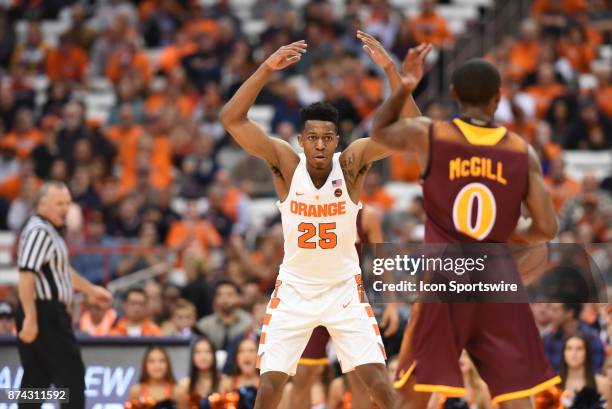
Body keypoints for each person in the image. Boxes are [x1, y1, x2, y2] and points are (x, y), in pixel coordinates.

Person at [220, 32, 429, 409]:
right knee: (269, 389)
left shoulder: (352, 164)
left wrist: (393, 74)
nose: (319, 145)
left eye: (327, 138)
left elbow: (416, 132)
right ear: (300, 140)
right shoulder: (284, 162)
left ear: (337, 140)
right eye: (312, 137)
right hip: (294, 289)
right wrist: (267, 67)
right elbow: (230, 118)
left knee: (378, 385)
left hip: (343, 289)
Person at [371, 57, 560, 408]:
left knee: (413, 395)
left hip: (446, 276)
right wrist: (511, 233)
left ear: (454, 93)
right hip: (498, 276)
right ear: (498, 99)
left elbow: (381, 132)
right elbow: (547, 227)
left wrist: (405, 88)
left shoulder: (432, 134)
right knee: (517, 398)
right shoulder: (522, 151)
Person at [288, 32, 401, 409]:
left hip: (347, 293)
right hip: (306, 291)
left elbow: (381, 261)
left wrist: (394, 302)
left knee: (361, 376)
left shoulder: (365, 214)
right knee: (303, 374)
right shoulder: (299, 192)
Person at [16, 181, 112, 409]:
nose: (65, 208)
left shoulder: (49, 231)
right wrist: (31, 316)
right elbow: (26, 275)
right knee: (72, 377)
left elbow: (61, 270)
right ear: (42, 203)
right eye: (59, 203)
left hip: (44, 312)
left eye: (68, 203)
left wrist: (91, 290)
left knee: (36, 378)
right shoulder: (38, 231)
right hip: (44, 312)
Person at [544, 303, 606, 373]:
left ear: (569, 313)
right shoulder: (549, 339)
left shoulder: (592, 338)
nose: (550, 314)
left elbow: (596, 371)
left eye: (555, 310)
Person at [196, 279, 253, 350]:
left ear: (238, 297)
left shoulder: (249, 322)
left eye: (230, 295)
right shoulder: (204, 325)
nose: (225, 299)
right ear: (215, 298)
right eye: (220, 294)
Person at [557, 334, 608, 407]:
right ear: (563, 353)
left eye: (579, 348)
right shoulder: (553, 385)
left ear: (587, 352)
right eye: (569, 348)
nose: (573, 353)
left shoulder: (602, 384)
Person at [174, 337, 221, 409]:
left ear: (214, 355)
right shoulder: (184, 386)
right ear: (192, 356)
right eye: (198, 352)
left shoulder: (223, 382)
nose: (203, 356)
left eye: (207, 351)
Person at [218, 338, 261, 409]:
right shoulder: (227, 383)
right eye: (241, 351)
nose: (247, 355)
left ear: (258, 356)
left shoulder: (266, 383)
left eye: (251, 350)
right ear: (236, 358)